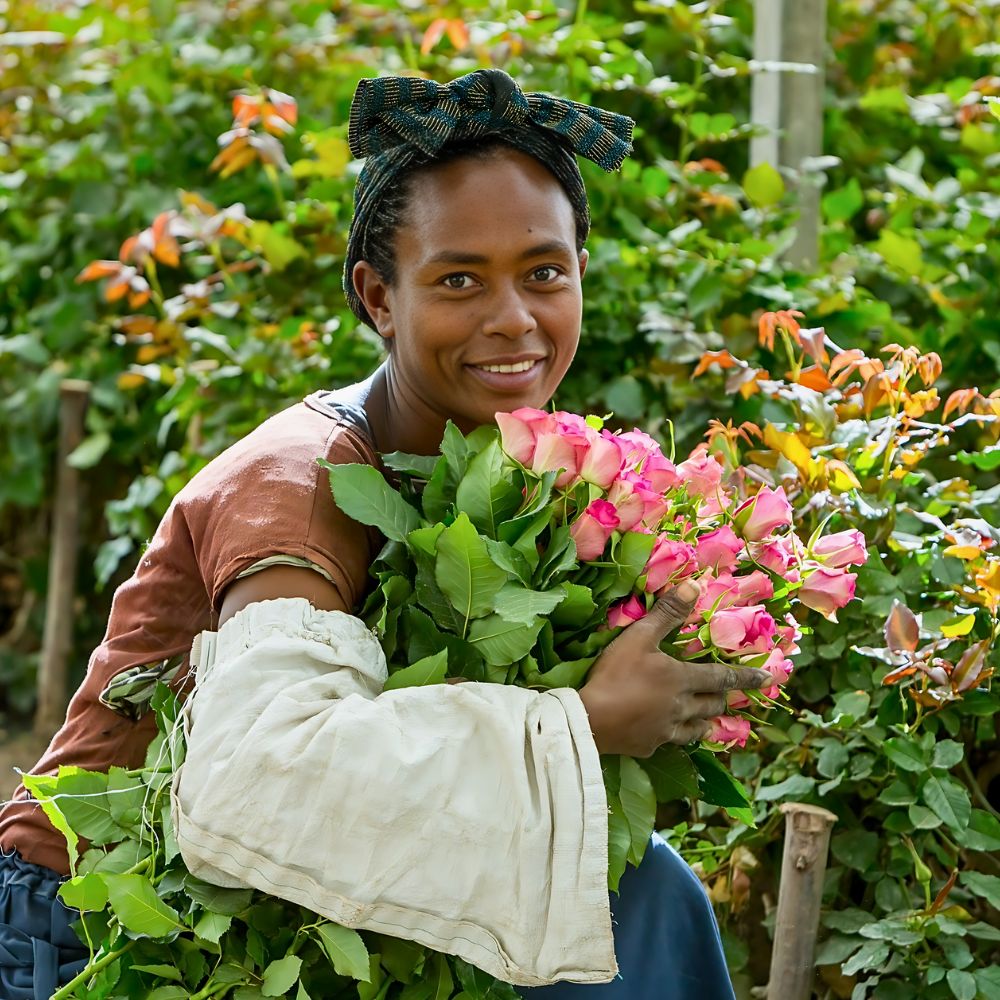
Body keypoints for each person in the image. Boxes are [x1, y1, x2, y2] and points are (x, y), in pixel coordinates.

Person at [0, 70, 770, 998]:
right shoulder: (300, 485)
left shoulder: (511, 468)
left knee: (648, 896)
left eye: (544, 272)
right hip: (100, 932)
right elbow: (263, 776)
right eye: (458, 279)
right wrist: (591, 719)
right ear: (377, 297)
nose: (513, 319)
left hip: (301, 910)